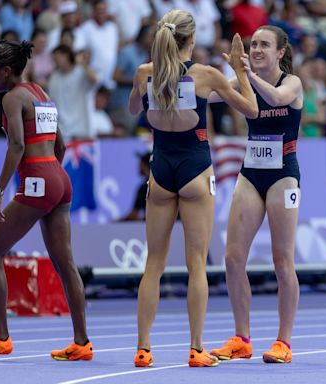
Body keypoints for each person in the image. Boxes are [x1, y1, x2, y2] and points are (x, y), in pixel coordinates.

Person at [128, 9, 257, 368]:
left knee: (153, 264)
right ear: (192, 40)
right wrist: (239, 70)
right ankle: (196, 348)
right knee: (196, 265)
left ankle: (143, 348)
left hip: (161, 170)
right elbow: (251, 109)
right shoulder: (206, 76)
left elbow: (133, 107)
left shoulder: (144, 73)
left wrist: (152, 89)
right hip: (195, 170)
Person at [0, 39, 92, 360]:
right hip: (58, 179)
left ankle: (0, 337)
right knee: (65, 263)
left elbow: (17, 148)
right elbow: (61, 145)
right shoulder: (41, 93)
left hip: (39, 180)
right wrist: (51, 179)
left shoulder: (12, 98)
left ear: (6, 71)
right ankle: (82, 343)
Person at [209, 25, 303, 364]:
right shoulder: (243, 81)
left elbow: (277, 99)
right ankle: (242, 337)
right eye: (253, 45)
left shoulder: (291, 83)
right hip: (251, 173)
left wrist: (246, 73)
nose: (257, 49)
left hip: (283, 177)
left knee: (282, 262)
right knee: (233, 258)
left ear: (280, 53)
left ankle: (283, 341)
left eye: (265, 45)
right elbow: (209, 93)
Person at [119, 152, 151, 221]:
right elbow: (134, 213)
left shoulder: (144, 188)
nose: (139, 165)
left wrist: (119, 221)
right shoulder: (143, 188)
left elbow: (133, 214)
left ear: (145, 165)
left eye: (141, 163)